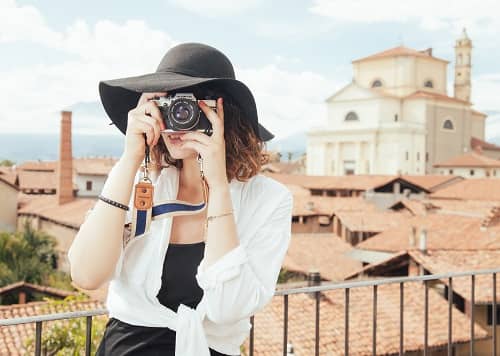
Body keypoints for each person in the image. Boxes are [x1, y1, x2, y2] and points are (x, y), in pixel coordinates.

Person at [67, 42, 293, 356]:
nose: (177, 116)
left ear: (224, 114)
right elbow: (86, 274)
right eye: (165, 103)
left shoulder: (269, 200)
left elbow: (229, 308)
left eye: (188, 105)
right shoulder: (141, 181)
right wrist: (131, 157)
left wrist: (217, 183)